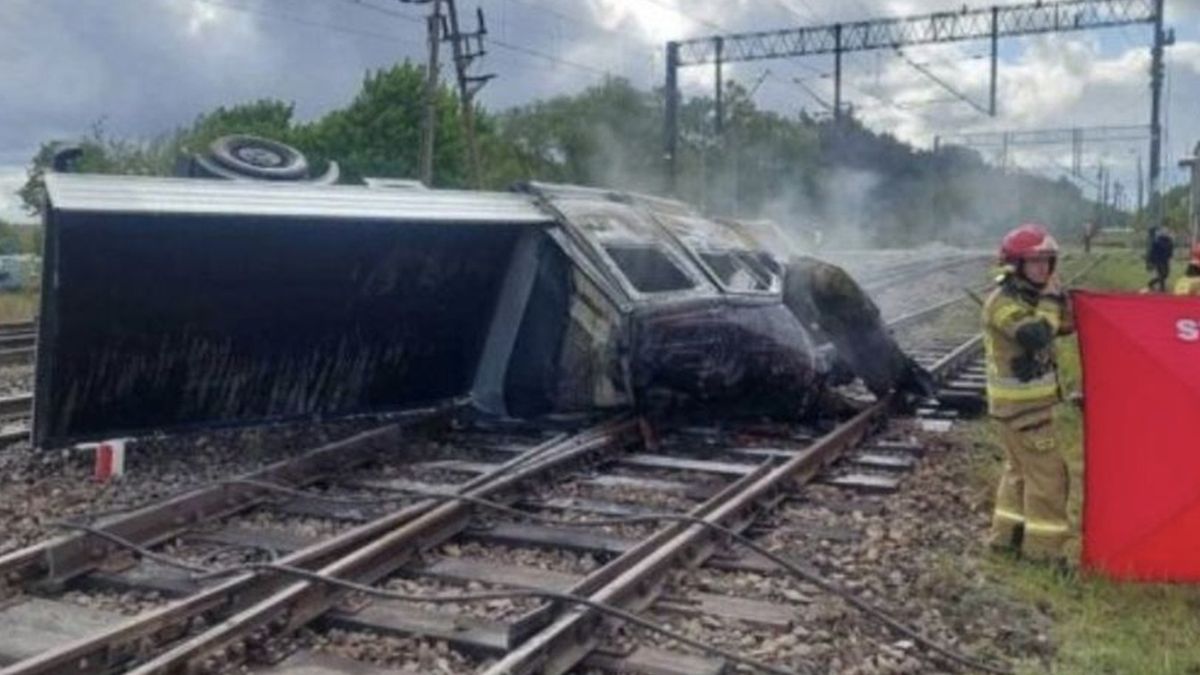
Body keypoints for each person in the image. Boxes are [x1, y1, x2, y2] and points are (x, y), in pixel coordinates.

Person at [984, 223, 1074, 563]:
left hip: (1020, 410)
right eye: (1034, 261)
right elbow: (1036, 335)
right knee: (1049, 479)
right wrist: (1050, 299)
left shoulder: (1025, 297)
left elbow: (1063, 326)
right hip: (1024, 411)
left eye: (1047, 261)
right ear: (1015, 264)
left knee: (1019, 474)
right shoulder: (1002, 302)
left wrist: (1065, 302)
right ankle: (1044, 555)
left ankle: (1006, 539)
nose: (1043, 268)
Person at [1146, 227, 1175, 292]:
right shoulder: (1157, 240)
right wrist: (1151, 260)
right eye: (1164, 232)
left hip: (1165, 260)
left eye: (1167, 232)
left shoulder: (1170, 241)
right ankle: (1162, 289)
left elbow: (1170, 251)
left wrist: (1170, 258)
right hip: (1158, 259)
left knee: (1166, 274)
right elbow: (1152, 251)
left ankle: (1151, 283)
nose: (1166, 233)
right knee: (1162, 274)